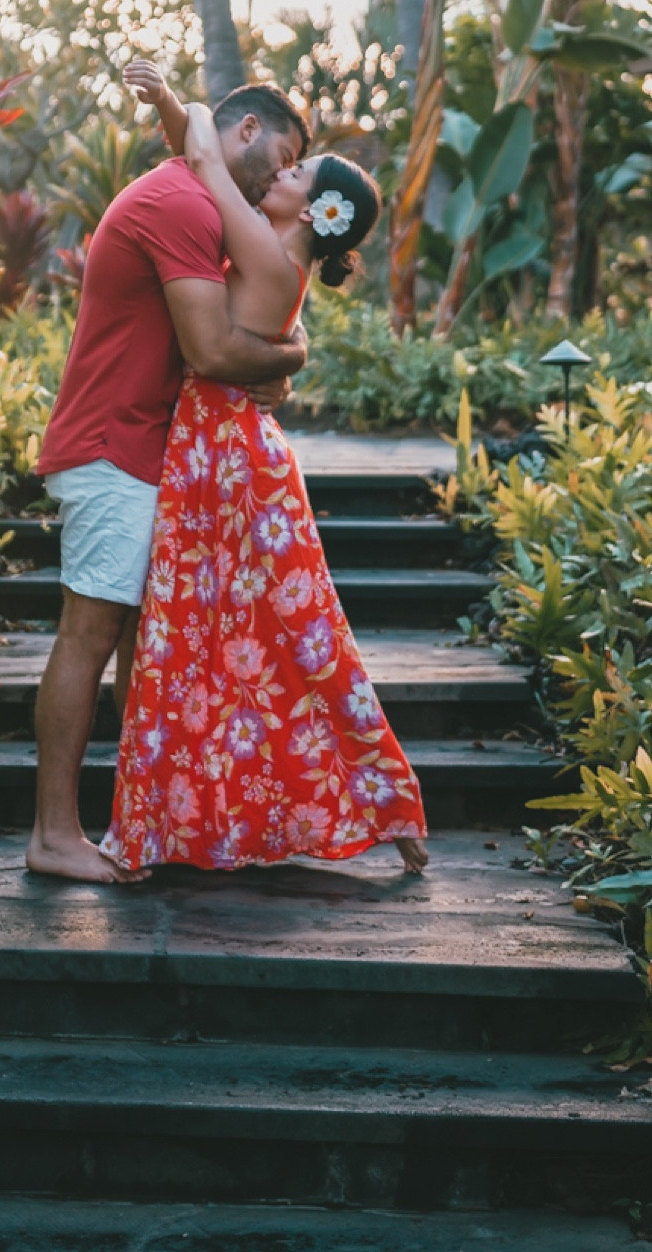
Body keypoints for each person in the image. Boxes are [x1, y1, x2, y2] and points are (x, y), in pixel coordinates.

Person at [101, 59, 428, 877]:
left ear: (315, 210)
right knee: (250, 630)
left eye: (294, 173)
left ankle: (379, 805)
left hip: (224, 456)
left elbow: (205, 156)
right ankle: (358, 808)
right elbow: (210, 163)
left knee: (251, 628)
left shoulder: (272, 258)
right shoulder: (274, 254)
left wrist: (180, 99)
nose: (279, 174)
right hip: (223, 451)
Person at [27, 77, 312, 884]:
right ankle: (53, 835)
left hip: (146, 452)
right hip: (112, 449)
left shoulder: (199, 195)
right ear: (246, 129)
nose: (279, 174)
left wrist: (283, 355)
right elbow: (213, 350)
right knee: (89, 635)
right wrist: (292, 357)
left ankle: (146, 823)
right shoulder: (182, 204)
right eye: (283, 155)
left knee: (141, 646)